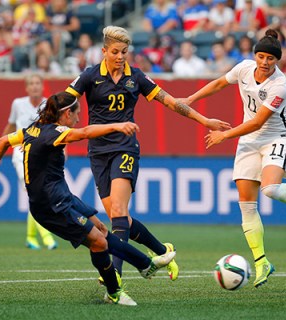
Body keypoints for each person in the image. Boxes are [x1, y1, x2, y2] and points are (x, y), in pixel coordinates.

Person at [65, 26, 231, 282]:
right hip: (97, 152)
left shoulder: (137, 78)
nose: (120, 57)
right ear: (104, 51)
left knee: (119, 211)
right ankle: (164, 252)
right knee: (121, 221)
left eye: (124, 52)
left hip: (125, 148)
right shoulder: (89, 76)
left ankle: (115, 275)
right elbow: (64, 100)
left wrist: (204, 120)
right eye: (115, 52)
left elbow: (171, 101)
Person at [0, 91, 176, 306]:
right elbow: (84, 132)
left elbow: (2, 141)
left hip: (62, 196)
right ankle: (115, 292)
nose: (78, 118)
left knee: (101, 229)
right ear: (65, 114)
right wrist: (117, 126)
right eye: (76, 114)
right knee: (98, 242)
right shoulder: (54, 133)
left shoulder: (33, 130)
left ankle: (146, 265)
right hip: (50, 206)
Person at [180, 29, 286, 288]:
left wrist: (225, 136)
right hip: (248, 140)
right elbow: (220, 83)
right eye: (261, 56)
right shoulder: (244, 68)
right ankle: (261, 262)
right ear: (255, 55)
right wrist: (191, 98)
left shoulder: (280, 86)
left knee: (271, 189)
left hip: (276, 138)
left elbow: (257, 122)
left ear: (277, 60)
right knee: (246, 204)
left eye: (270, 59)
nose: (265, 62)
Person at [1, 74, 58, 250]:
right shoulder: (18, 104)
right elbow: (11, 126)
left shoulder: (48, 104)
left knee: (38, 196)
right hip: (20, 155)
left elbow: (55, 127)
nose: (34, 86)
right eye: (31, 84)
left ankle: (30, 237)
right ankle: (47, 237)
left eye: (37, 83)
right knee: (34, 193)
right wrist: (1, 145)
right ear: (26, 88)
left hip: (40, 155)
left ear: (42, 86)